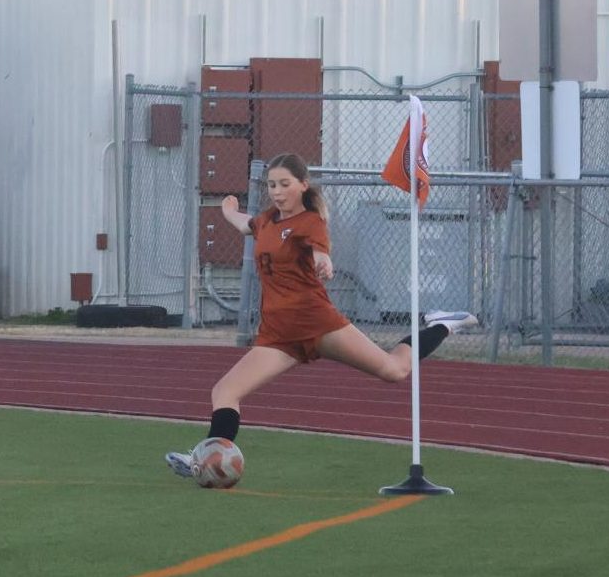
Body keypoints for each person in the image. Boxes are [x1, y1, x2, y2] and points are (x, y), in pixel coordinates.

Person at [165, 152, 476, 479]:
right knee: (225, 392)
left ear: (303, 185)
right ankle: (210, 459)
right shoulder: (268, 219)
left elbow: (319, 250)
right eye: (272, 185)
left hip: (315, 323)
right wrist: (229, 212)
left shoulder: (310, 222)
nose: (277, 191)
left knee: (394, 370)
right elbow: (248, 225)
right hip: (279, 335)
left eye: (285, 184)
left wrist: (323, 261)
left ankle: (442, 324)